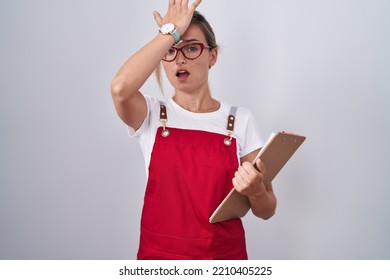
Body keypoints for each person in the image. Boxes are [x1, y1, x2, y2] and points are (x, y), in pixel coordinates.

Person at [110, 0, 277, 260]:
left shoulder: (240, 120)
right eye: (171, 50)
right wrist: (170, 31)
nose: (179, 60)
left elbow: (267, 210)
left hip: (223, 260)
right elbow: (120, 88)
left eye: (191, 48)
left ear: (213, 56)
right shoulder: (152, 115)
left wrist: (256, 190)